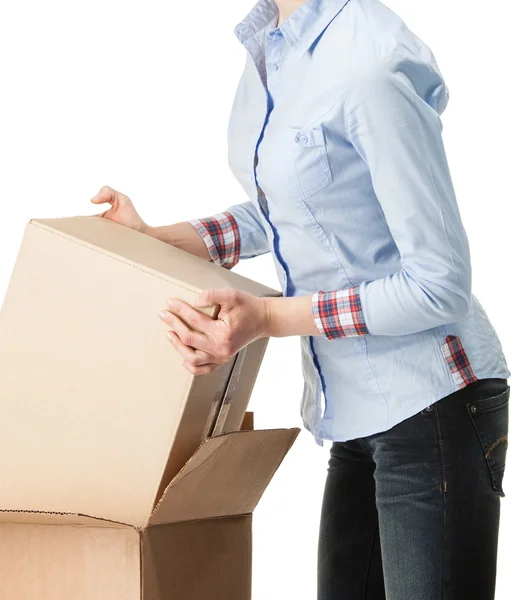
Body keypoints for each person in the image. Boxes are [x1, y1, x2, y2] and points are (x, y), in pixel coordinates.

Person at [89, 1, 511, 598]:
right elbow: (291, 205)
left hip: (432, 402)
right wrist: (164, 240)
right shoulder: (274, 46)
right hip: (358, 410)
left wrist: (269, 318)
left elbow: (438, 282)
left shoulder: (368, 63)